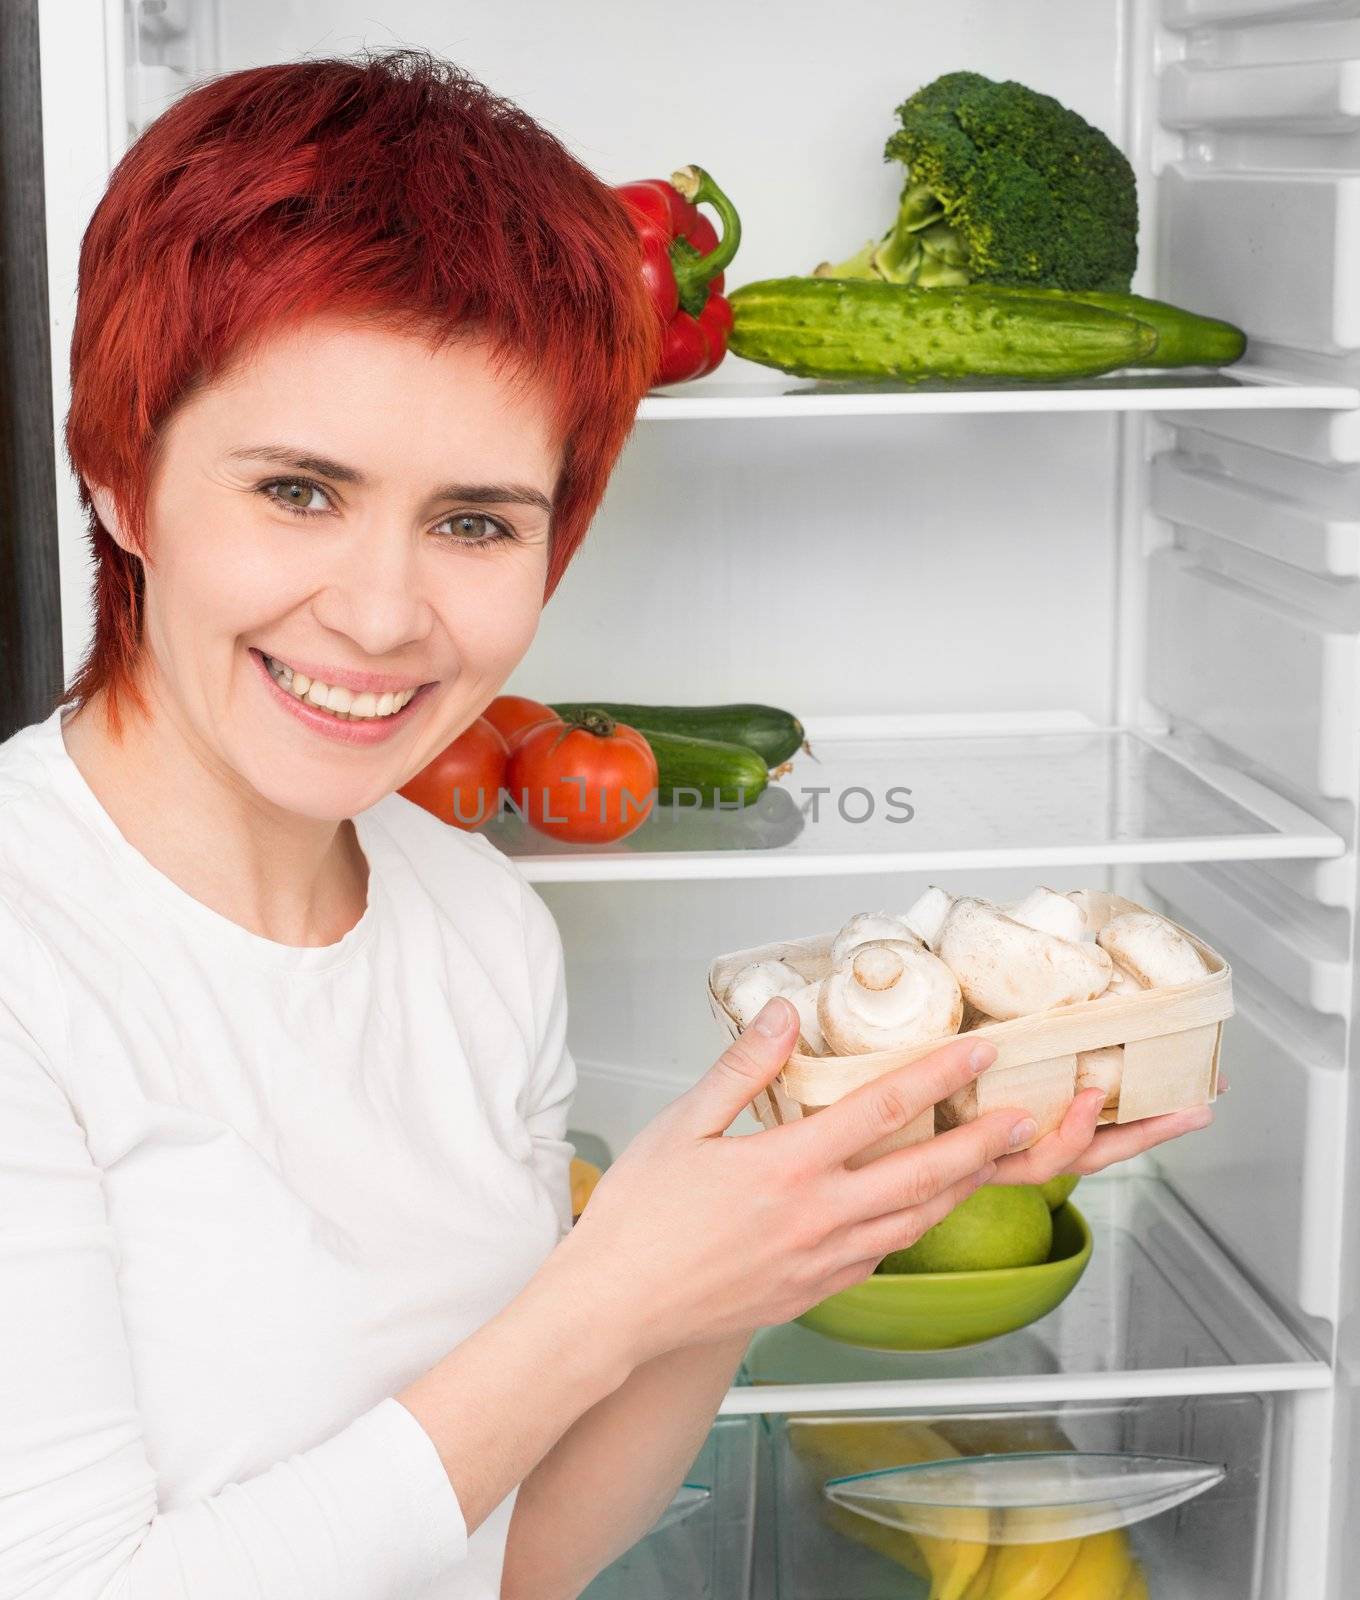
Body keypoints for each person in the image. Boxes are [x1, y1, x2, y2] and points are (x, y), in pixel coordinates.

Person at [0, 48, 1212, 1600]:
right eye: (299, 490)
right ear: (119, 471)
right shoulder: (33, 953)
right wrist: (607, 1294)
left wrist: (753, 1250)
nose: (381, 613)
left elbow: (520, 1560)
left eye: (474, 522)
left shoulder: (478, 925)